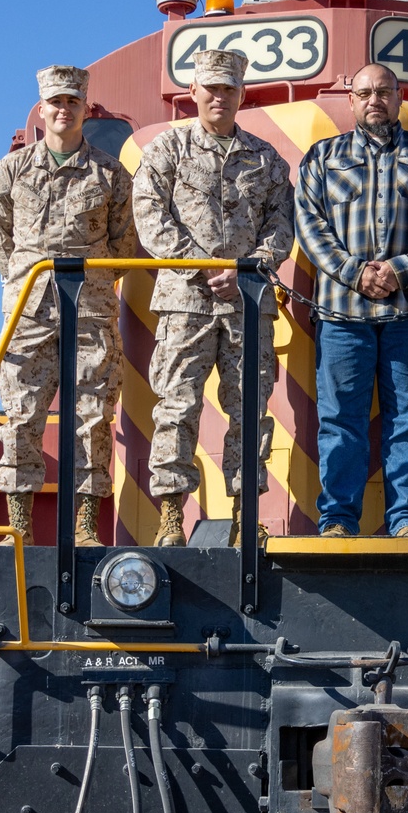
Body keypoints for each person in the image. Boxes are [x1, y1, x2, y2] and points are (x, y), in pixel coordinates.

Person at [295, 63, 408, 538]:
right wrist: (355, 272)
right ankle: (337, 521)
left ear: (399, 97)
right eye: (364, 92)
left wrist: (399, 270)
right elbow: (310, 226)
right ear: (351, 101)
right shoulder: (321, 158)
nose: (374, 100)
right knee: (339, 421)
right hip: (340, 315)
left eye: (383, 91)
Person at [132, 48, 294, 547]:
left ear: (241, 95)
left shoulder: (266, 159)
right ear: (194, 93)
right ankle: (170, 516)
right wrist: (202, 265)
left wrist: (247, 269)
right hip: (185, 302)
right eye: (211, 89)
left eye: (229, 89)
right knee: (176, 407)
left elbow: (281, 225)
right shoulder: (167, 150)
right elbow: (149, 215)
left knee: (249, 410)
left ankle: (246, 515)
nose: (219, 97)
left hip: (248, 303)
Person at [0, 64, 136, 547]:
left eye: (72, 102)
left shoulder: (110, 173)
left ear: (83, 110)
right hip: (29, 311)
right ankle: (20, 526)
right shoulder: (9, 171)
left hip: (91, 310)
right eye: (56, 102)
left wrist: (95, 280)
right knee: (22, 415)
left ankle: (87, 526)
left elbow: (124, 241)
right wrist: (24, 280)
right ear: (42, 109)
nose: (63, 110)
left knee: (93, 416)